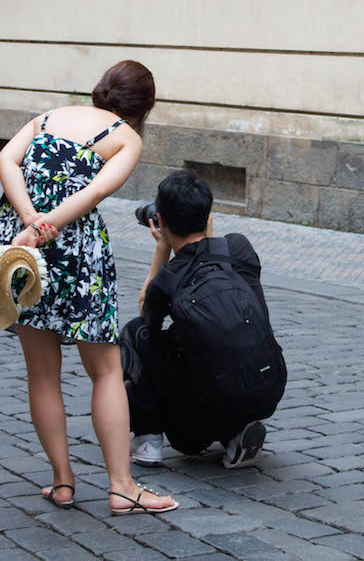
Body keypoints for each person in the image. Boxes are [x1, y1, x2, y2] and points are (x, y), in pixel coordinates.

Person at [0, 60, 178, 515]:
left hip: (24, 246)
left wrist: (29, 223)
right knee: (104, 370)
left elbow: (5, 159)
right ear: (146, 106)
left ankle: (63, 481)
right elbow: (95, 193)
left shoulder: (49, 117)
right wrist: (48, 226)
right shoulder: (126, 137)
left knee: (41, 372)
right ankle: (122, 487)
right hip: (74, 249)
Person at [120, 170, 286, 469]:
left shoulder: (167, 279)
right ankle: (237, 432)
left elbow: (147, 318)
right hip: (268, 389)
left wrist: (162, 249)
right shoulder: (238, 248)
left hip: (195, 427)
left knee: (134, 333)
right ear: (207, 215)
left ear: (163, 222)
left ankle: (148, 440)